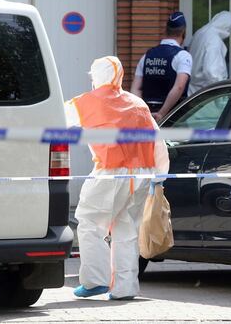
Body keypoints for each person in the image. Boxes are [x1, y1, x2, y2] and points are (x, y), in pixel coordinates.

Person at [67, 56, 170, 300]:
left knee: (90, 222)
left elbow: (53, 119)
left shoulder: (86, 102)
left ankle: (95, 281)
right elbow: (158, 143)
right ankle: (125, 288)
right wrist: (160, 176)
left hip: (110, 174)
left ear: (96, 77)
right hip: (143, 176)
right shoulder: (138, 104)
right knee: (127, 230)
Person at [131, 11, 193, 121]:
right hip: (174, 117)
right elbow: (179, 87)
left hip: (148, 116)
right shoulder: (183, 56)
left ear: (166, 30)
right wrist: (161, 113)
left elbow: (135, 89)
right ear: (183, 32)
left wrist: (142, 113)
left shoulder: (147, 56)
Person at [188, 11, 231, 95]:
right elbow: (212, 72)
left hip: (192, 90)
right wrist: (221, 93)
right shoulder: (214, 40)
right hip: (205, 94)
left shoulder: (200, 32)